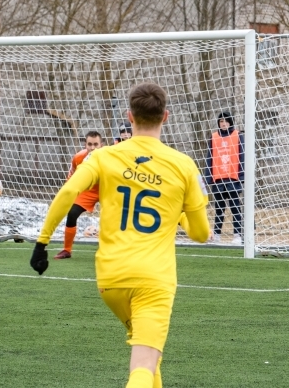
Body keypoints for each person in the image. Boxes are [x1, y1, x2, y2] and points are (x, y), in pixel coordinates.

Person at [30, 82, 210, 387]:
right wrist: (177, 213)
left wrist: (42, 241)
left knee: (150, 356)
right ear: (165, 117)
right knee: (141, 366)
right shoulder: (184, 166)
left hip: (110, 279)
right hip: (153, 280)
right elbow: (202, 233)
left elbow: (69, 191)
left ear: (130, 116)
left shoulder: (103, 156)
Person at [54, 131, 103, 259]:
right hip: (87, 191)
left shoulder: (109, 157)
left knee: (113, 218)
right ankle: (67, 250)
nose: (93, 147)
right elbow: (71, 177)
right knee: (72, 213)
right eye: (90, 144)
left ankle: (112, 250)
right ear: (85, 144)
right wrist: (68, 192)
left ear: (101, 144)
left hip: (106, 190)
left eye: (96, 144)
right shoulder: (78, 158)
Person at [204, 111, 244, 245]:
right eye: (221, 121)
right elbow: (209, 157)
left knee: (235, 207)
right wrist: (208, 176)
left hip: (233, 178)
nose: (223, 123)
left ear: (230, 122)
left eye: (226, 121)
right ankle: (216, 235)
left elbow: (243, 156)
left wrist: (242, 175)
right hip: (218, 178)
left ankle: (238, 235)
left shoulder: (238, 136)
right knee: (219, 209)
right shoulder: (214, 137)